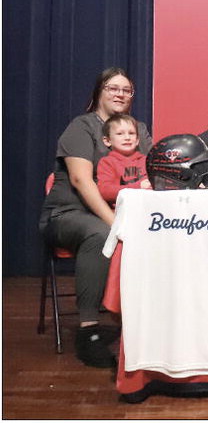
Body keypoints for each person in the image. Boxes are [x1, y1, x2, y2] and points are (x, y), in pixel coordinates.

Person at [39, 67, 152, 368]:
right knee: (99, 234)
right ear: (99, 92)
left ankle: (151, 323)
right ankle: (88, 330)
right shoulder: (81, 127)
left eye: (126, 90)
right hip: (68, 214)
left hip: (121, 214)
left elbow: (153, 173)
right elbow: (81, 181)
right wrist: (116, 223)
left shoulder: (136, 129)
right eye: (113, 88)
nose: (120, 94)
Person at [97, 114, 151, 206]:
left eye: (131, 133)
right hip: (121, 211)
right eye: (120, 134)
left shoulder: (146, 161)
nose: (127, 138)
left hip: (147, 208)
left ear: (137, 140)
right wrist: (137, 187)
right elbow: (104, 191)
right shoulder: (107, 162)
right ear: (107, 141)